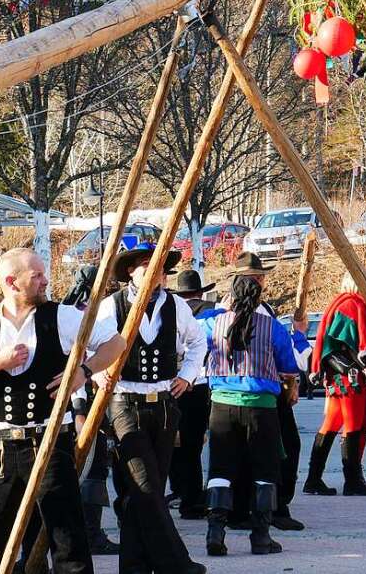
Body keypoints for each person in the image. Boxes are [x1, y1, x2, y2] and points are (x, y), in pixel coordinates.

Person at [0, 248, 126, 574]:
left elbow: (116, 344)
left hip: (51, 442)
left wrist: (83, 372)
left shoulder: (63, 316)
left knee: (69, 545)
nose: (46, 281)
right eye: (38, 276)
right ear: (12, 283)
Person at [96, 243, 207, 574]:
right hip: (124, 403)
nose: (154, 272)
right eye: (146, 265)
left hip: (163, 404)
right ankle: (176, 563)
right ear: (131, 270)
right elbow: (89, 343)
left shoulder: (175, 305)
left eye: (158, 267)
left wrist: (187, 376)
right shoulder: (110, 306)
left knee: (147, 490)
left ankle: (134, 565)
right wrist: (100, 372)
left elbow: (198, 342)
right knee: (143, 485)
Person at [200, 266, 302, 557]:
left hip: (221, 405)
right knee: (264, 470)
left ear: (231, 297)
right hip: (261, 408)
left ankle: (215, 533)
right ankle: (260, 537)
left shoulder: (213, 325)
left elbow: (189, 335)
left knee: (220, 470)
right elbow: (289, 367)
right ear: (259, 298)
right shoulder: (272, 327)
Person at [303, 273, 366, 497]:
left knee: (331, 424)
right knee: (352, 425)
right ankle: (352, 481)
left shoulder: (344, 302)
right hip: (348, 376)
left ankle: (314, 479)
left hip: (340, 376)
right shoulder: (351, 305)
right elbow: (347, 346)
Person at [61, 265, 120, 556]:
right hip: (81, 402)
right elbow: (76, 367)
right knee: (91, 469)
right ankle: (91, 535)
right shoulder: (79, 318)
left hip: (91, 397)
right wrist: (81, 410)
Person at [167, 269, 216, 521]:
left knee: (172, 443)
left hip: (169, 382)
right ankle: (192, 499)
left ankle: (178, 489)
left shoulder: (169, 310)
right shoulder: (212, 311)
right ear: (200, 291)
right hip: (198, 383)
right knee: (193, 444)